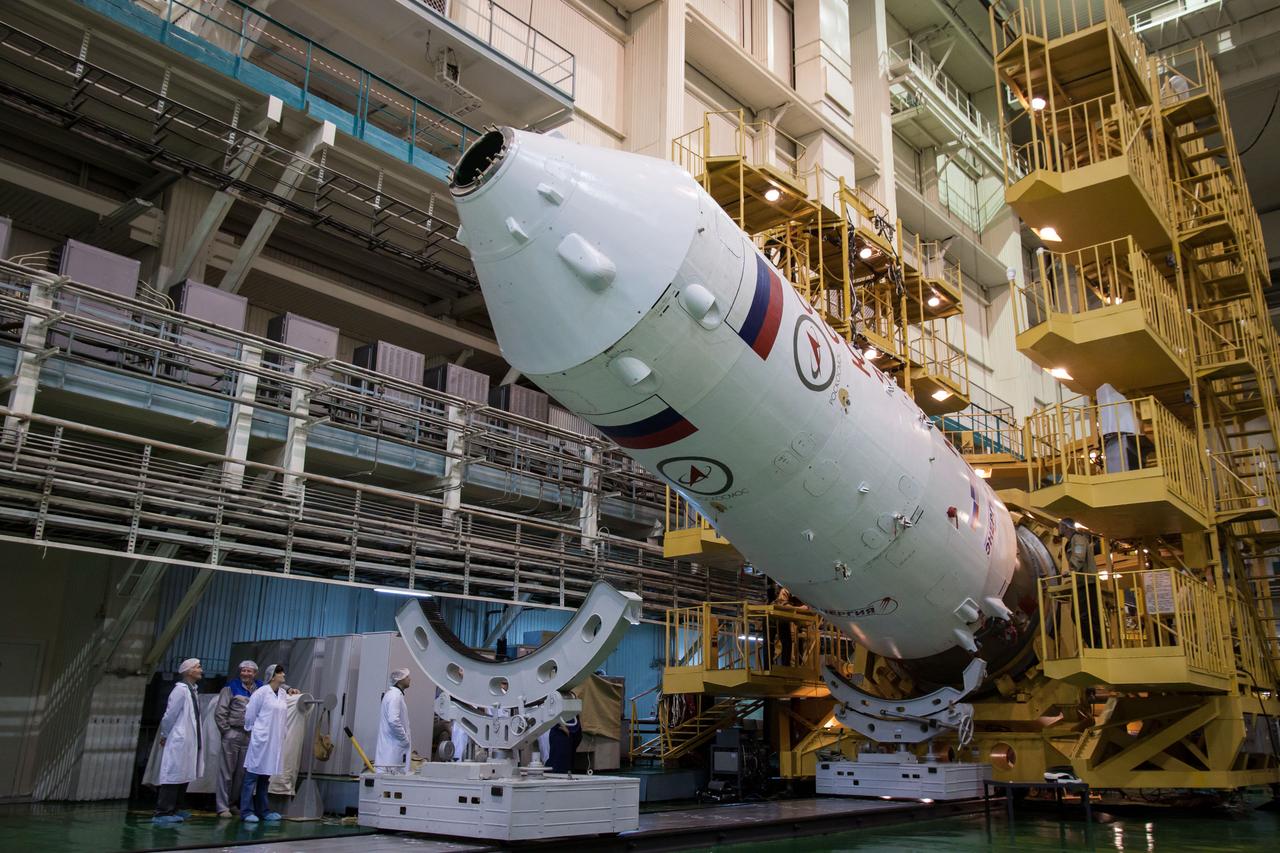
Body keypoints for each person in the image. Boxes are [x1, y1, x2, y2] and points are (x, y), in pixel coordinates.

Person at [154, 658, 205, 825]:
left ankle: (175, 808)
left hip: (189, 740)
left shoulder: (193, 690)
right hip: (178, 739)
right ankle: (163, 811)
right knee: (173, 775)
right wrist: (165, 734)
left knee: (184, 774)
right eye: (197, 667)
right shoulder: (180, 691)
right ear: (189, 671)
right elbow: (170, 715)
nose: (200, 669)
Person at [241, 663, 289, 823]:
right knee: (251, 776)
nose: (283, 674)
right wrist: (255, 731)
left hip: (274, 741)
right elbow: (250, 714)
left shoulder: (282, 694)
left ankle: (263, 810)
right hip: (260, 739)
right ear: (273, 675)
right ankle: (246, 811)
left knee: (265, 777)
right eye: (280, 672)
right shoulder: (261, 693)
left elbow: (284, 716)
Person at [213, 660, 261, 818]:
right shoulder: (231, 687)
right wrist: (226, 731)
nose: (246, 674)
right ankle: (222, 807)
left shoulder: (260, 688)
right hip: (233, 732)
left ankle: (232, 803)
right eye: (243, 670)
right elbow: (220, 712)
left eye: (249, 671)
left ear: (255, 674)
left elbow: (276, 685)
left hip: (249, 735)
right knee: (226, 771)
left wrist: (290, 689)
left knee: (241, 773)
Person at [375, 668, 413, 773]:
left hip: (391, 750)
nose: (410, 679)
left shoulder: (394, 695)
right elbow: (393, 721)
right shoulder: (394, 696)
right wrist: (404, 739)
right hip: (392, 751)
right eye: (407, 677)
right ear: (399, 680)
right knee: (389, 781)